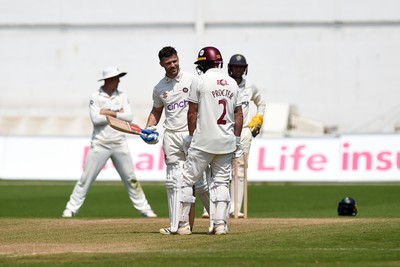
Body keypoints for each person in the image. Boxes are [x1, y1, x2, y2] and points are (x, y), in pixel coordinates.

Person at [62, 66, 157, 218]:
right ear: (108, 80)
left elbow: (129, 117)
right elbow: (96, 119)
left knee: (131, 178)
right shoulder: (95, 96)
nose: (119, 81)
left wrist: (106, 112)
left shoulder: (122, 96)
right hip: (100, 143)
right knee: (86, 178)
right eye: (116, 78)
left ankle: (145, 210)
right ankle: (71, 209)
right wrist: (118, 113)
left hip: (119, 142)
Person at [142, 46, 210, 235]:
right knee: (174, 182)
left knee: (202, 183)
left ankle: (218, 221)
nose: (173, 65)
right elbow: (156, 111)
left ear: (178, 58)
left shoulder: (192, 80)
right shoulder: (159, 88)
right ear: (161, 64)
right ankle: (179, 226)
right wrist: (149, 128)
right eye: (168, 63)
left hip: (192, 134)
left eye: (175, 61)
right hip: (171, 136)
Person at [177, 46, 244, 235]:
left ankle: (183, 226)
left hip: (203, 141)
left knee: (186, 180)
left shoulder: (199, 81)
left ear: (205, 64)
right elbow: (239, 114)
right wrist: (237, 139)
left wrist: (191, 137)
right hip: (226, 142)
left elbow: (192, 112)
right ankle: (220, 225)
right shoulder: (232, 83)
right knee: (222, 183)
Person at [227, 54, 266, 218]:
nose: (238, 70)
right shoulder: (225, 84)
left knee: (240, 170)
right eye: (235, 67)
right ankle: (213, 208)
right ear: (230, 68)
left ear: (245, 69)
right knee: (220, 168)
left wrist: (258, 119)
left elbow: (261, 103)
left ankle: (236, 208)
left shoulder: (250, 86)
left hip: (243, 131)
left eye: (241, 67)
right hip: (225, 130)